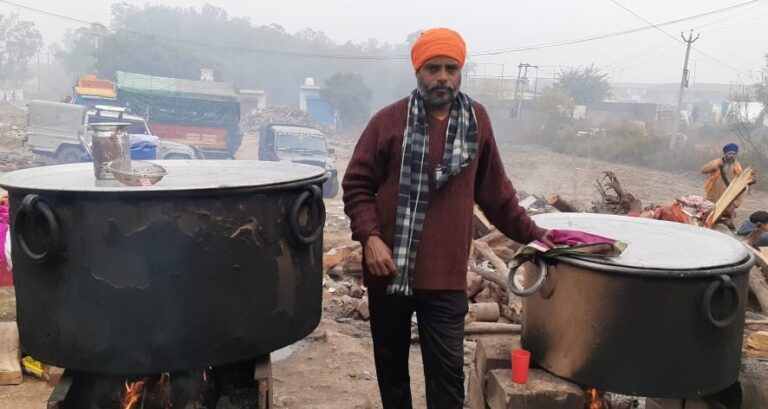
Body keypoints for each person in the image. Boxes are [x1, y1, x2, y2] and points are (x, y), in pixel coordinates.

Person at [342, 28, 551, 409]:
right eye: (433, 68)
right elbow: (357, 185)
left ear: (460, 72)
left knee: (447, 381)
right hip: (389, 272)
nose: (442, 77)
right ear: (418, 72)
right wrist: (370, 237)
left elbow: (497, 195)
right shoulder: (388, 122)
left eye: (451, 69)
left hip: (446, 277)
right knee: (392, 376)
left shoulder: (477, 122)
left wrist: (537, 235)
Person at [701, 143, 744, 221]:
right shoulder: (716, 162)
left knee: (724, 221)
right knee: (705, 218)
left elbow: (742, 187)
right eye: (730, 153)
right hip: (711, 198)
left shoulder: (738, 168)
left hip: (727, 200)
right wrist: (714, 166)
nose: (732, 156)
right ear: (725, 154)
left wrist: (736, 203)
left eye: (734, 154)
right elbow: (703, 170)